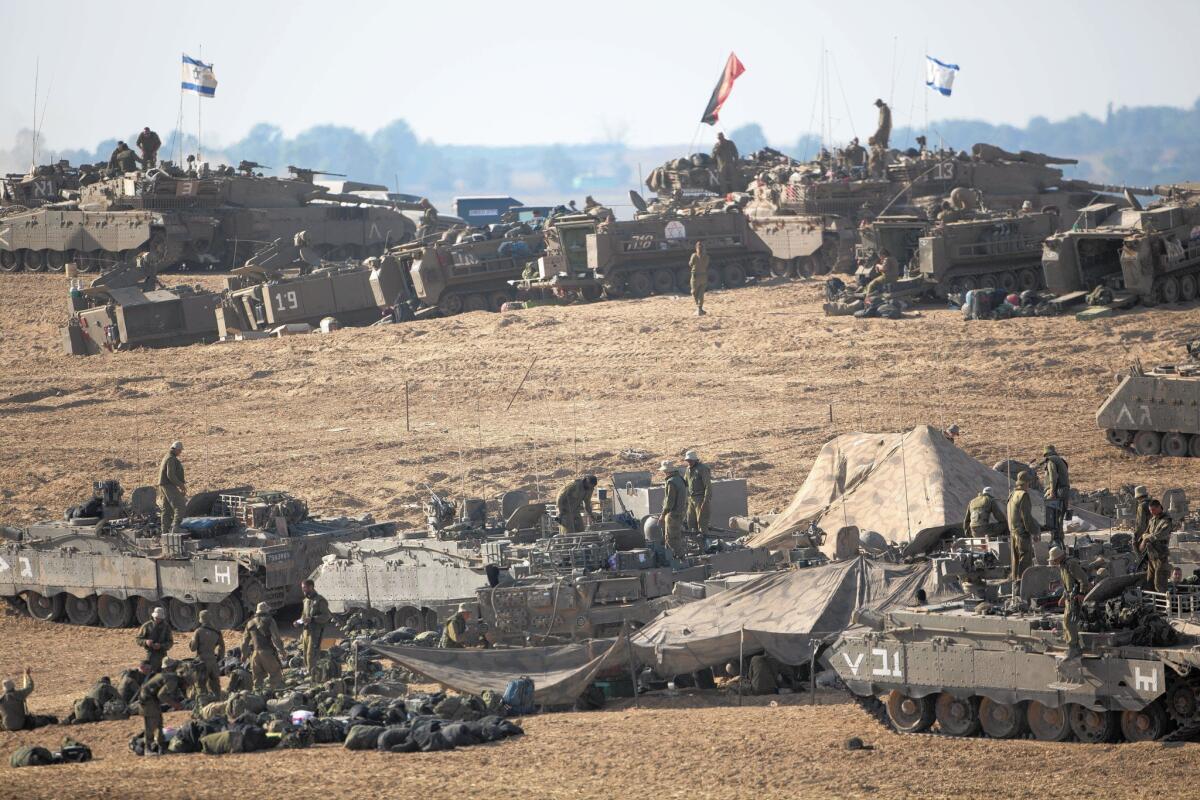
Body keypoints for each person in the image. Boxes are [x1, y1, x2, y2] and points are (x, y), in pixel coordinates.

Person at [1048, 546, 1090, 659]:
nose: (1054, 562)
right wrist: (1062, 597)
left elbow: (1083, 579)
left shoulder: (1071, 564)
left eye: (1054, 559)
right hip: (1069, 597)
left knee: (1069, 622)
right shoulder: (1063, 566)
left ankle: (1074, 648)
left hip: (1075, 597)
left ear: (1059, 557)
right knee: (1066, 622)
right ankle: (1072, 646)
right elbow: (1067, 585)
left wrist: (1081, 594)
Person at [138, 661, 188, 755]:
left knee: (159, 723)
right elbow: (162, 695)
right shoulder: (173, 681)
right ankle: (147, 749)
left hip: (152, 699)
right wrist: (175, 705)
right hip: (147, 699)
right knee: (150, 725)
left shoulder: (173, 678)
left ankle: (162, 748)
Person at [241, 602, 286, 691]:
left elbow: (244, 642)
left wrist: (243, 655)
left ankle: (258, 699)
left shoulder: (249, 623)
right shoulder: (270, 620)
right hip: (267, 653)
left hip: (255, 655)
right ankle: (274, 698)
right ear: (266, 610)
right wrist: (282, 651)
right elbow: (275, 638)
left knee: (257, 680)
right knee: (276, 675)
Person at [1007, 471, 1038, 593]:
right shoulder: (1023, 495)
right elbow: (1026, 517)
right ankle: (1024, 587)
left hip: (1013, 532)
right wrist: (1034, 531)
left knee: (1015, 560)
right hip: (1022, 533)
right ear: (1026, 483)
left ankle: (1015, 588)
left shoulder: (1012, 494)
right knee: (1025, 558)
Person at [188, 609, 225, 699]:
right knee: (216, 686)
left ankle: (203, 707)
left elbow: (193, 648)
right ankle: (218, 704)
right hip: (213, 661)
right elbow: (222, 647)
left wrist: (191, 641)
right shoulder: (217, 632)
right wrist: (218, 658)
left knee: (201, 686)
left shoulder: (198, 631)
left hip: (201, 661)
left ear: (201, 619)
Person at [297, 578, 331, 674]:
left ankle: (313, 674)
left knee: (311, 654)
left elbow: (326, 616)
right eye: (302, 588)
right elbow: (303, 616)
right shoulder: (306, 601)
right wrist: (298, 622)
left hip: (315, 632)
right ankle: (309, 671)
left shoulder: (320, 600)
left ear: (311, 587)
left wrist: (313, 619)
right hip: (306, 631)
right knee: (305, 653)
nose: (303, 590)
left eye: (304, 588)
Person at [657, 460, 687, 559]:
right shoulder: (679, 479)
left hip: (673, 514)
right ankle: (672, 557)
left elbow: (669, 501)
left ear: (666, 471)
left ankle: (680, 558)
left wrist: (663, 514)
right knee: (676, 536)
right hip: (680, 512)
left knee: (671, 539)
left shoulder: (671, 482)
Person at [1041, 445, 1070, 547]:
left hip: (1057, 492)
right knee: (1059, 519)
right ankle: (1059, 541)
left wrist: (1052, 492)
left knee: (1053, 519)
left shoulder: (1051, 461)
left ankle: (1056, 542)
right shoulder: (1060, 461)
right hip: (1064, 492)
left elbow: (1053, 477)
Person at [1142, 499, 1174, 592]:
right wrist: (1146, 537)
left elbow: (1161, 534)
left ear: (1159, 507)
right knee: (1149, 581)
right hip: (1151, 555)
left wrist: (1148, 538)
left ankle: (1163, 605)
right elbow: (1145, 533)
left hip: (1161, 555)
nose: (1152, 512)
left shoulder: (1166, 520)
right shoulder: (1152, 520)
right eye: (1150, 510)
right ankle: (1152, 604)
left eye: (1154, 510)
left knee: (1159, 584)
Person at [158, 440, 187, 534]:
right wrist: (181, 485)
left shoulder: (167, 456)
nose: (180, 452)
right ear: (176, 449)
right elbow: (170, 475)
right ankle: (176, 527)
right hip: (168, 485)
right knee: (180, 505)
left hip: (163, 485)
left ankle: (165, 531)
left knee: (166, 509)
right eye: (180, 450)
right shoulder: (171, 459)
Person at [136, 606, 174, 671]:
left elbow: (170, 642)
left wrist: (161, 646)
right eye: (156, 617)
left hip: (162, 655)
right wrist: (146, 642)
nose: (157, 619)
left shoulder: (166, 627)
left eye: (159, 618)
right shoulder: (146, 626)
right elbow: (138, 639)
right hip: (150, 655)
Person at [684, 450, 713, 534]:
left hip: (700, 498)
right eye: (688, 461)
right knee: (691, 522)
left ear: (695, 460)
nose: (689, 462)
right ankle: (694, 542)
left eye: (690, 460)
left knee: (702, 522)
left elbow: (708, 485)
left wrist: (706, 500)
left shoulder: (702, 469)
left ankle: (704, 543)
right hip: (691, 499)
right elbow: (685, 482)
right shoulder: (688, 470)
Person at [690, 241, 709, 316]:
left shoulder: (694, 255)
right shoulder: (707, 257)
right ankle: (700, 308)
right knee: (701, 293)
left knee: (694, 292)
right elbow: (706, 265)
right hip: (703, 276)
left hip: (695, 276)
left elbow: (690, 264)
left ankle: (698, 309)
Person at [1132, 485, 1152, 551]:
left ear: (1138, 497)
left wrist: (1136, 536)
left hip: (1146, 535)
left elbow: (1141, 525)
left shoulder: (1142, 506)